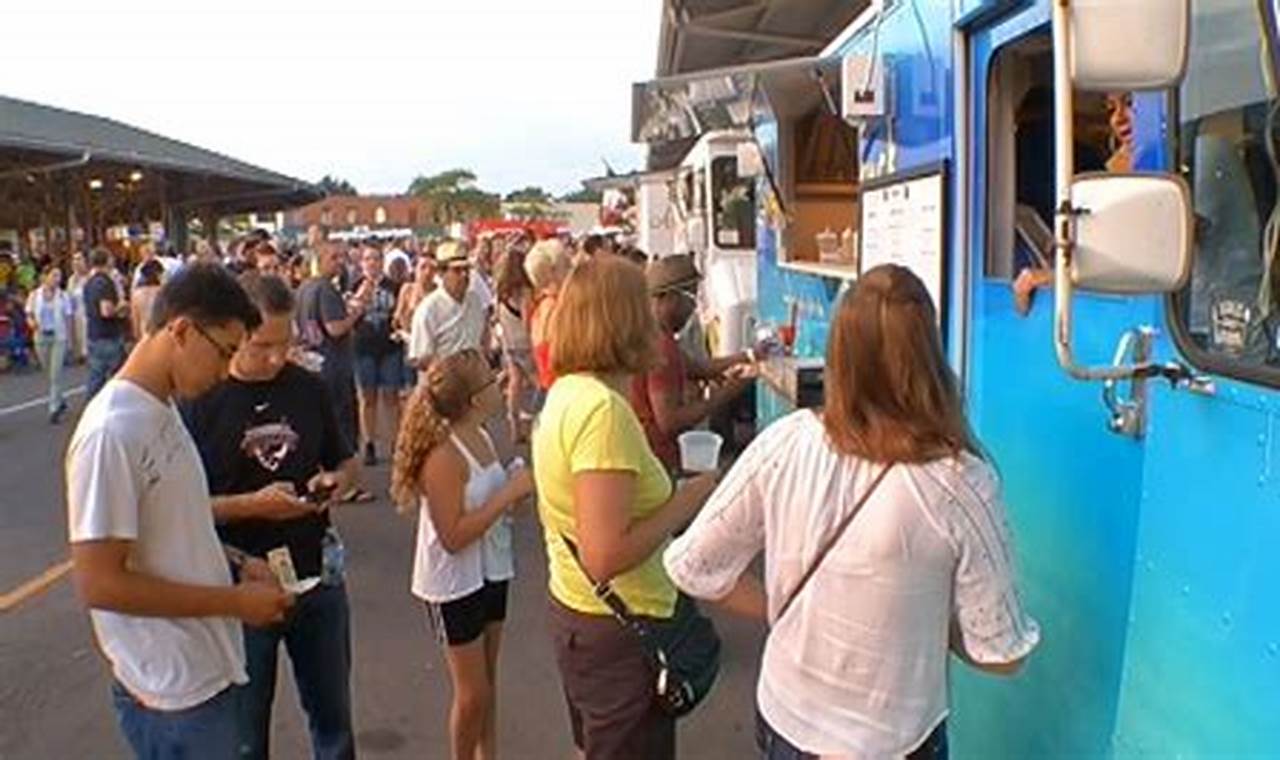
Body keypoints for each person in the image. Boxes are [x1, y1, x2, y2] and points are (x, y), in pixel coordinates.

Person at [663, 264, 1041, 760]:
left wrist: (782, 606)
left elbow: (693, 564)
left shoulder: (786, 442)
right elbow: (1002, 653)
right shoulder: (959, 482)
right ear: (929, 354)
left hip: (785, 722)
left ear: (840, 352)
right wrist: (925, 620)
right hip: (895, 740)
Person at [65, 263, 294, 760]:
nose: (224, 371)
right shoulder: (111, 434)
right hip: (171, 692)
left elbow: (175, 527)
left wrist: (235, 562)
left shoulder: (161, 408)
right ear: (182, 330)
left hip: (202, 672)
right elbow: (100, 583)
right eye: (224, 353)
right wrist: (234, 602)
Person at [531, 256, 718, 760]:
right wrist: (689, 497)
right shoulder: (602, 411)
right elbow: (605, 554)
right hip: (621, 631)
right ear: (624, 320)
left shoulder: (568, 393)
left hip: (581, 615)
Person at [183, 274, 359, 760]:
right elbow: (182, 510)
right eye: (262, 346)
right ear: (238, 335)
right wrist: (252, 504)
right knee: (244, 734)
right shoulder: (200, 399)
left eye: (286, 344)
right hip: (241, 582)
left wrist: (336, 482)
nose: (276, 358)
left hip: (316, 573)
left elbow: (345, 460)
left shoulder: (308, 387)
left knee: (334, 722)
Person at [391, 349, 534, 760]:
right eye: (491, 380)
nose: (499, 381)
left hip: (491, 570)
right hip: (453, 583)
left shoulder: (484, 435)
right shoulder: (444, 457)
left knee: (488, 682)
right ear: (474, 400)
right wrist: (507, 493)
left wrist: (513, 490)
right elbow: (453, 536)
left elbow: (492, 504)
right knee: (472, 694)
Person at [631, 255, 755, 472]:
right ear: (669, 297)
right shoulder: (661, 347)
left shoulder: (654, 336)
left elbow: (699, 368)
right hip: (659, 463)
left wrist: (749, 356)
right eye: (691, 297)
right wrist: (727, 393)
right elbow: (669, 421)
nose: (693, 309)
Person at [297, 242, 374, 503]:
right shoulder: (324, 289)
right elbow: (335, 328)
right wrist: (356, 312)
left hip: (313, 362)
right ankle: (347, 485)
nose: (339, 262)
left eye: (341, 257)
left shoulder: (304, 289)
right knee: (342, 425)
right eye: (333, 257)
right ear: (319, 260)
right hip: (334, 365)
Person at [352, 246, 404, 465]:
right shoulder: (354, 285)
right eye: (367, 259)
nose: (371, 263)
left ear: (382, 261)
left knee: (391, 396)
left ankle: (394, 443)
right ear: (361, 263)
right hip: (363, 347)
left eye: (375, 258)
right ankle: (370, 443)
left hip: (389, 346)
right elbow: (349, 314)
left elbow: (400, 313)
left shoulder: (394, 286)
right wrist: (359, 297)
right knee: (368, 397)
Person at [408, 241, 489, 379]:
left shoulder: (475, 301)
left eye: (466, 270)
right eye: (457, 271)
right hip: (442, 387)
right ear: (441, 273)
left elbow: (481, 339)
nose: (464, 275)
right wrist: (446, 369)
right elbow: (418, 358)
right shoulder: (429, 309)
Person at [494, 246, 537, 442]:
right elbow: (528, 318)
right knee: (540, 383)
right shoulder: (525, 290)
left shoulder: (501, 290)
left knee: (515, 383)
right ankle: (540, 423)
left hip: (508, 341)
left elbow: (497, 316)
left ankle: (515, 427)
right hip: (525, 341)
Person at [25, 265, 74, 423]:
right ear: (44, 277)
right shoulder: (34, 295)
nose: (57, 279)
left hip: (58, 337)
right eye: (54, 276)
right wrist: (32, 322)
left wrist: (71, 340)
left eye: (59, 276)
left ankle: (54, 409)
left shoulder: (63, 296)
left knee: (56, 374)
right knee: (49, 372)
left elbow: (68, 318)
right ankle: (61, 400)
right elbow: (29, 314)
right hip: (41, 337)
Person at [523, 239, 572, 391]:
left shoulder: (545, 307)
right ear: (552, 272)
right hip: (565, 385)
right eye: (567, 265)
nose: (572, 269)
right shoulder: (554, 308)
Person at [83, 248, 130, 399]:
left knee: (96, 377)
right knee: (120, 376)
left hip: (93, 333)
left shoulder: (88, 282)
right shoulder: (105, 282)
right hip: (109, 334)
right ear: (107, 260)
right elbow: (106, 311)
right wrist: (122, 306)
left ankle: (91, 406)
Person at [131, 259, 165, 342]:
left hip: (144, 336)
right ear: (158, 274)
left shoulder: (136, 294)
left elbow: (135, 323)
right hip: (161, 336)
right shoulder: (164, 292)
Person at [67, 250, 91, 363]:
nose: (76, 262)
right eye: (74, 259)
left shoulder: (90, 277)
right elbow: (69, 299)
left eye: (79, 259)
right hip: (77, 314)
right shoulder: (71, 280)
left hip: (89, 313)